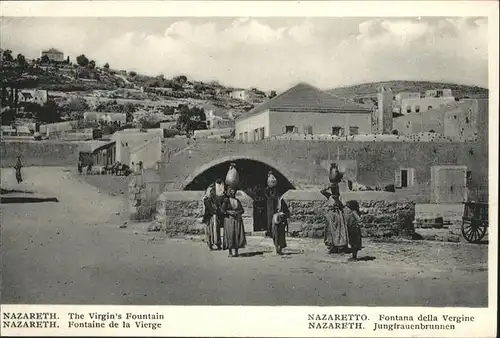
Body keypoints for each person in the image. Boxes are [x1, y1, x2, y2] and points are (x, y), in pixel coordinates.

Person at [221, 186, 246, 257]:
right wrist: (229, 212)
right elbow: (222, 210)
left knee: (237, 234)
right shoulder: (226, 200)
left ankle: (236, 252)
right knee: (230, 234)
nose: (233, 192)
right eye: (231, 191)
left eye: (234, 191)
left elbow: (242, 210)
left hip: (237, 220)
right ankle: (230, 252)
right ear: (229, 192)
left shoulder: (237, 201)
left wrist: (237, 212)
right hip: (229, 220)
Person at [202, 179, 225, 250]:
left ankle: (218, 244)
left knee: (216, 231)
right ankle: (210, 245)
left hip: (214, 217)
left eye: (213, 192)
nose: (212, 194)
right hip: (209, 217)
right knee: (210, 232)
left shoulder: (214, 200)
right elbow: (210, 208)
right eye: (211, 192)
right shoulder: (206, 200)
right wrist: (215, 211)